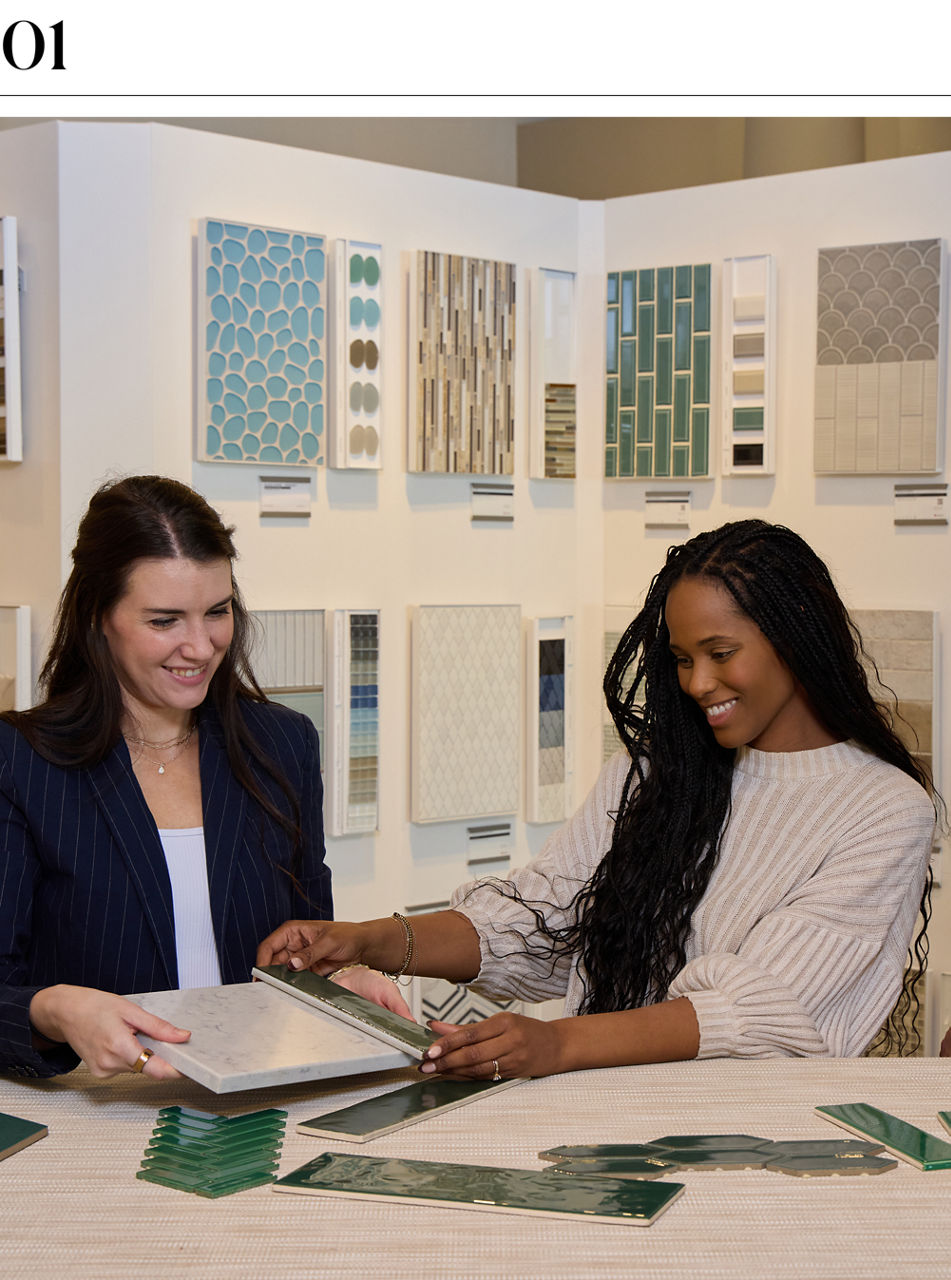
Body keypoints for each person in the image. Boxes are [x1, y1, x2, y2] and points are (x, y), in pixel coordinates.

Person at [258, 520, 937, 1079]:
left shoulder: (882, 810)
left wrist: (557, 1045)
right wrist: (366, 940)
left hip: (751, 1152)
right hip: (601, 1125)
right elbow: (544, 919)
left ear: (794, 638)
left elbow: (756, 1011)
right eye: (678, 658)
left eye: (720, 652)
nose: (697, 682)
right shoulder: (650, 773)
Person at [0, 475, 404, 1082]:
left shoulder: (284, 745)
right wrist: (53, 1009)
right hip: (99, 1118)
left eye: (216, 612)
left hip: (263, 1107)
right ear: (97, 616)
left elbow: (306, 944)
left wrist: (343, 983)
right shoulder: (20, 760)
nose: (200, 646)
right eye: (165, 621)